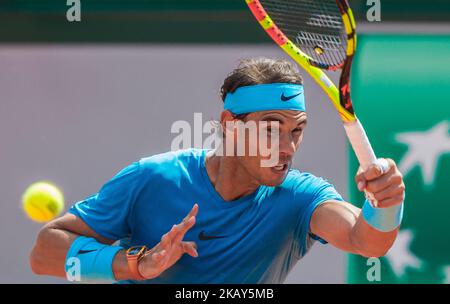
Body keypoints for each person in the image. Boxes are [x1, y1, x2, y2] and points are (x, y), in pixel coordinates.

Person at [29, 57, 405, 283]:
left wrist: (385, 202)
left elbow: (367, 240)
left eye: (297, 131)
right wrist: (138, 264)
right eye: (271, 129)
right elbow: (44, 253)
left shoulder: (301, 197)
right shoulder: (152, 178)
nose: (287, 148)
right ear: (230, 124)